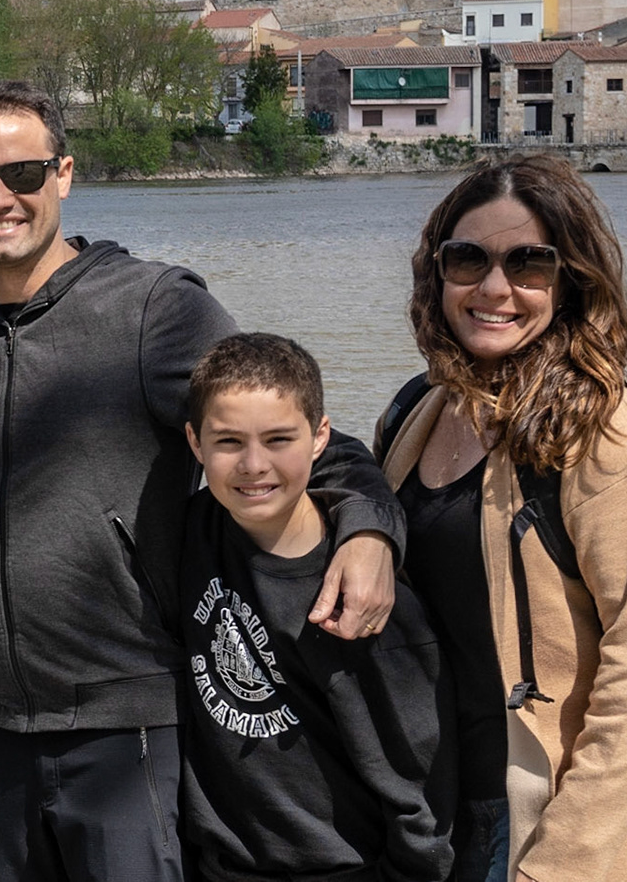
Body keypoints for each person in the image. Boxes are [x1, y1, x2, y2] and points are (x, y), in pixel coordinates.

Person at [0, 79, 405, 882]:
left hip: (131, 732)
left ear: (65, 174)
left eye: (23, 172)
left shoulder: (154, 308)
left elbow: (286, 430)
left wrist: (368, 528)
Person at [376, 153, 627, 881]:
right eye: (467, 259)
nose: (494, 287)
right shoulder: (418, 411)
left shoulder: (610, 439)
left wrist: (562, 861)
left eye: (529, 263)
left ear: (571, 282)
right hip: (437, 810)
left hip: (561, 822)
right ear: (437, 273)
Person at [179, 333, 453, 882]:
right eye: (228, 441)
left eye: (279, 439)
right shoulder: (189, 532)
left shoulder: (363, 596)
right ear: (194, 442)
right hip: (223, 867)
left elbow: (419, 779)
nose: (253, 464)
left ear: (321, 436)